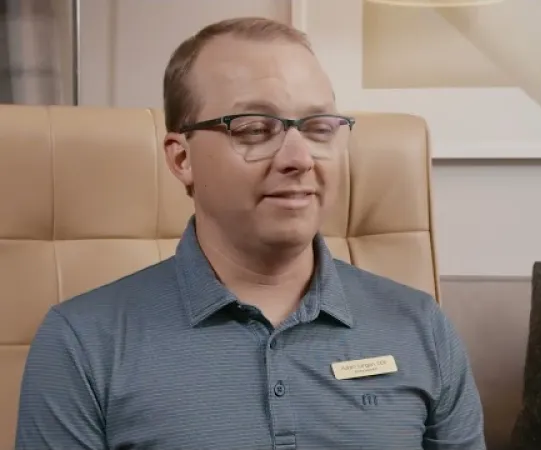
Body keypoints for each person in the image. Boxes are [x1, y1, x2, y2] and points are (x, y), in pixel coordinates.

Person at [14, 17, 486, 450]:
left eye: (319, 127)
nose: (299, 158)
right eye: (256, 129)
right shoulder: (82, 342)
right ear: (182, 159)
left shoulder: (421, 326)